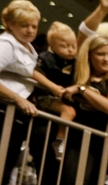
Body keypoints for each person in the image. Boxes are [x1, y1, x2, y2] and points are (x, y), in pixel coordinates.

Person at [56, 2, 108, 185]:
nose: (106, 59)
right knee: (67, 184)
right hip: (75, 137)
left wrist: (82, 90)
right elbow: (84, 33)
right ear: (90, 55)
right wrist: (102, 10)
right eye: (101, 54)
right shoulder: (80, 69)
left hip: (102, 143)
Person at [0, 1, 55, 185]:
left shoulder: (29, 48)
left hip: (15, 116)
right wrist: (17, 99)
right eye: (24, 25)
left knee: (3, 172)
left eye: (34, 26)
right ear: (10, 24)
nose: (30, 30)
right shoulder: (4, 44)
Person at [33, 21, 77, 160]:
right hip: (43, 97)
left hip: (63, 97)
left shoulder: (75, 62)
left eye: (73, 46)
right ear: (52, 46)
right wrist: (52, 87)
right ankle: (60, 141)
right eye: (64, 46)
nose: (70, 50)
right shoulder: (46, 58)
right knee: (68, 111)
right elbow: (34, 72)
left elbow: (82, 81)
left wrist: (73, 89)